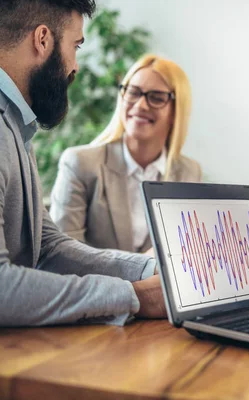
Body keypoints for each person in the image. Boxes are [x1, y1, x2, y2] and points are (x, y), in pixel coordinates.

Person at [0, 0, 166, 326]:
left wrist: (155, 271)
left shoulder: (17, 125)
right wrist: (135, 296)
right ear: (43, 39)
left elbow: (47, 248)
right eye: (75, 46)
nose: (75, 66)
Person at [50, 54, 202, 253]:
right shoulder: (80, 164)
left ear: (176, 111)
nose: (140, 106)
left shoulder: (189, 173)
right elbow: (63, 255)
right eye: (133, 92)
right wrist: (139, 273)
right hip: (101, 285)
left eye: (156, 98)